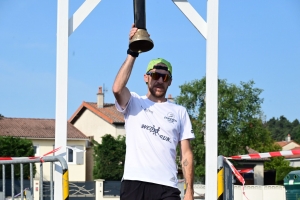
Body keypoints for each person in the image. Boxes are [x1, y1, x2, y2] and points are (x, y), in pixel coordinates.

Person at [112, 24, 195, 200]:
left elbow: (186, 153)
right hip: (135, 183)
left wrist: (189, 190)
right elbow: (117, 89)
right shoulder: (134, 102)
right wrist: (133, 52)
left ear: (170, 82)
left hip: (167, 187)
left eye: (164, 77)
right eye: (155, 75)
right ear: (146, 77)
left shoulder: (179, 112)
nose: (159, 81)